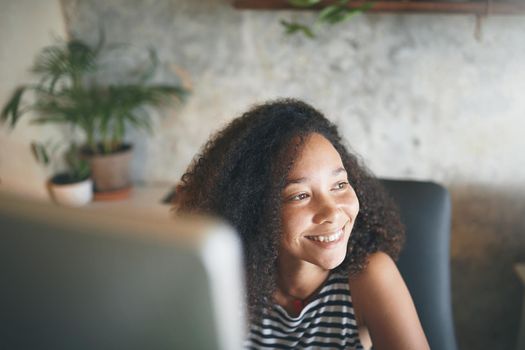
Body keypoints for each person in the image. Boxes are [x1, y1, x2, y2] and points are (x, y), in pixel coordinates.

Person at [175, 99, 429, 350]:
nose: (331, 212)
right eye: (300, 195)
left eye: (340, 185)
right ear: (255, 208)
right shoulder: (226, 279)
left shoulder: (368, 278)